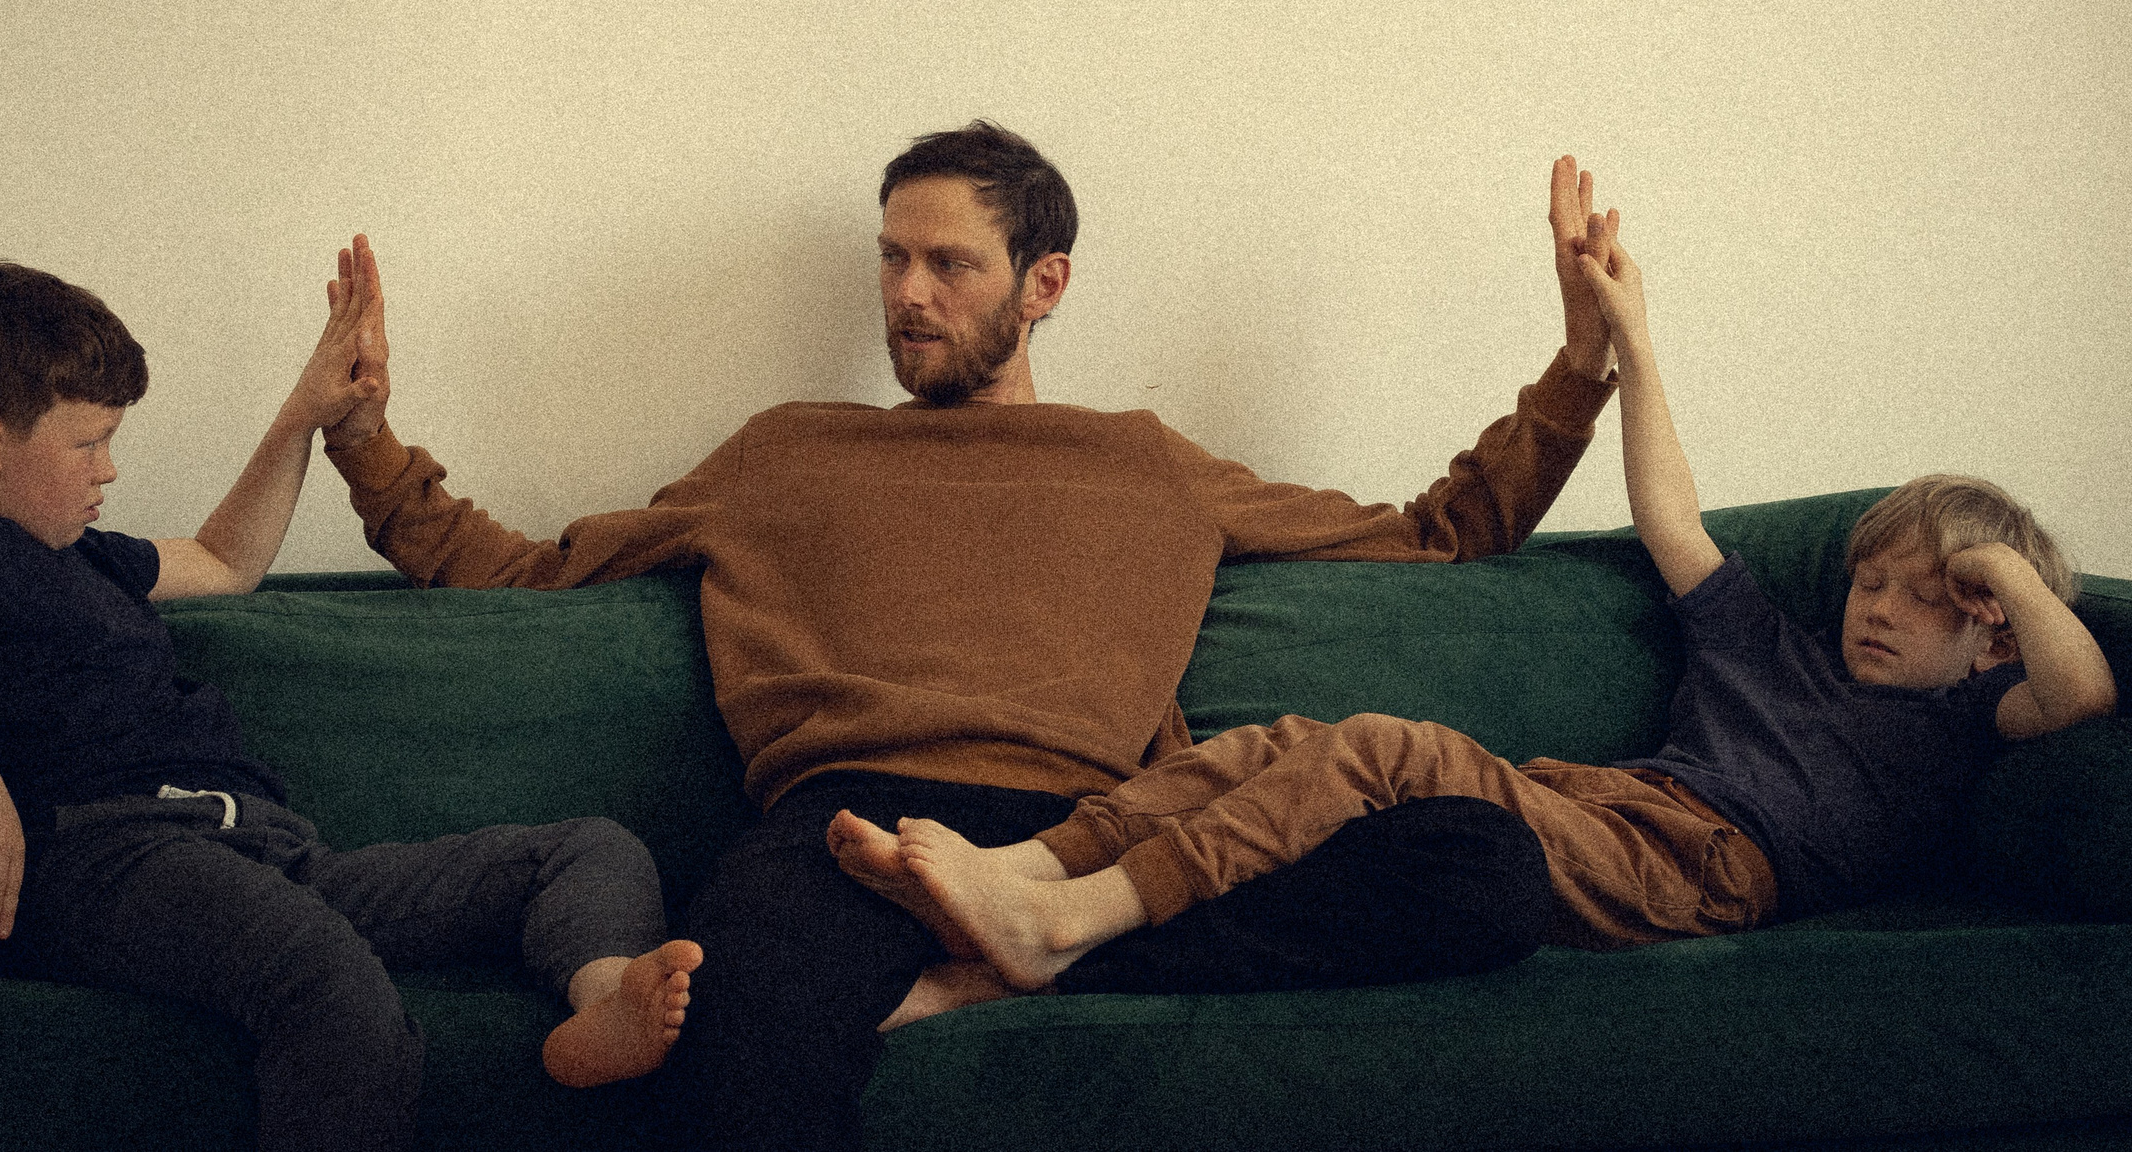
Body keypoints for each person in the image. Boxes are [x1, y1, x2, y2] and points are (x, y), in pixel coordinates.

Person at [311, 121, 1622, 1151]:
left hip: (1094, 837)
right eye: (892, 257)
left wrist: (1578, 363)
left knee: (1486, 864)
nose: (909, 292)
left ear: (1044, 281)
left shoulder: (1149, 463)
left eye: (949, 262)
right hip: (849, 832)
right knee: (726, 1015)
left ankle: (1011, 950)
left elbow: (1444, 530)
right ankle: (992, 966)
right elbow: (528, 571)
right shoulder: (788, 452)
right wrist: (363, 434)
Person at [828, 210, 2118, 1013]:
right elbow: (1672, 518)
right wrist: (1629, 342)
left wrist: (1999, 572)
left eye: (1919, 592)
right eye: (1869, 578)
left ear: (1988, 629)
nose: (1877, 606)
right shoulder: (1769, 643)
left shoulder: (1968, 713)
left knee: (1397, 749)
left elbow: (2082, 694)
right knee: (1281, 739)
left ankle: (1072, 917)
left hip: (1707, 870)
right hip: (1605, 801)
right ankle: (1027, 869)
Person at [0, 259, 703, 1152]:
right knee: (333, 986)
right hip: (110, 854)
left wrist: (304, 413)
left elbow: (227, 560)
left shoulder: (90, 556)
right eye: (87, 441)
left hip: (263, 847)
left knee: (585, 847)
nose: (108, 470)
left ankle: (605, 993)